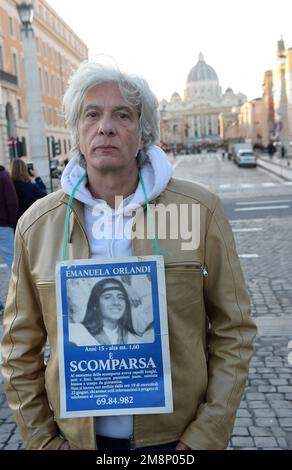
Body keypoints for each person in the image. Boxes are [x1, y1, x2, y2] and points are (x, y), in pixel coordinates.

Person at [1, 60, 257, 451]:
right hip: (81, 442)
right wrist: (43, 441)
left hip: (176, 441)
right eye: (92, 114)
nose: (105, 126)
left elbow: (234, 329)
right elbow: (18, 347)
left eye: (122, 114)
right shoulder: (37, 225)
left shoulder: (200, 210)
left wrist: (206, 436)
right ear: (78, 131)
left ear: (144, 132)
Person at [69, 278, 154, 346]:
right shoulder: (77, 332)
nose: (116, 302)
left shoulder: (133, 340)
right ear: (95, 304)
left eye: (121, 297)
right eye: (107, 297)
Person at [0, 165, 19, 311]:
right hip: (3, 225)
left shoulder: (4, 176)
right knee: (14, 263)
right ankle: (19, 298)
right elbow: (12, 202)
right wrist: (11, 222)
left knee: (13, 262)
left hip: (4, 225)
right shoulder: (4, 176)